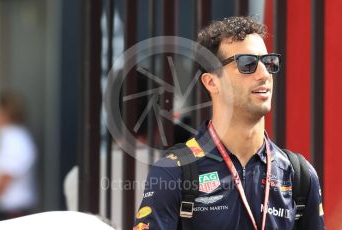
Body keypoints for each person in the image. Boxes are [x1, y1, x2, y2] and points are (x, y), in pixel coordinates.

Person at [133, 16, 325, 229]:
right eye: (247, 64)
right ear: (211, 82)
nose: (264, 74)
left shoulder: (299, 175)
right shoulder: (174, 171)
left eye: (269, 62)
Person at [0, 91, 37, 221]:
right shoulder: (12, 136)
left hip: (12, 212)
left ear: (5, 112)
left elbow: (5, 179)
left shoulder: (14, 138)